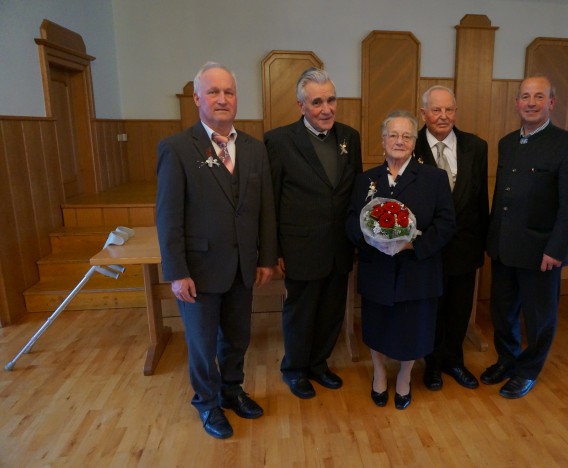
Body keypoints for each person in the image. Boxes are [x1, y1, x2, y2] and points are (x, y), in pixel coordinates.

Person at [155, 62, 277, 439]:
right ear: (197, 98)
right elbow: (168, 216)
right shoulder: (177, 148)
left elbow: (265, 208)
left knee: (238, 337)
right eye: (213, 92)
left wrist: (266, 258)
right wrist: (177, 272)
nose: (222, 99)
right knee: (202, 343)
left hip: (243, 266)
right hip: (199, 270)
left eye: (229, 92)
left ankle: (231, 390)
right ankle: (207, 403)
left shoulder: (255, 149)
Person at [483, 75, 568, 399]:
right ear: (517, 103)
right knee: (502, 311)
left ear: (551, 103)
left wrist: (557, 249)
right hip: (504, 246)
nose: (531, 103)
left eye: (539, 96)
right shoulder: (507, 143)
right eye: (525, 97)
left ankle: (528, 370)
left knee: (539, 317)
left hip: (541, 251)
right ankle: (507, 359)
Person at [347, 110, 455, 409]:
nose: (399, 141)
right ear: (383, 141)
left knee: (413, 328)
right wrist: (368, 238)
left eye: (407, 136)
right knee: (376, 326)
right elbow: (351, 218)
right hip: (377, 268)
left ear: (414, 142)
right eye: (393, 135)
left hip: (417, 269)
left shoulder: (434, 178)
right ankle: (379, 374)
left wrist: (412, 245)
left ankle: (405, 376)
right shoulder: (366, 179)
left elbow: (447, 223)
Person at [264, 68, 362, 399]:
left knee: (332, 310)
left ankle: (319, 364)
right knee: (301, 313)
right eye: (317, 102)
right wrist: (274, 250)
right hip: (300, 246)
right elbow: (270, 201)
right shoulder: (279, 141)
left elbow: (356, 192)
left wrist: (358, 238)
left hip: (340, 245)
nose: (326, 109)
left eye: (331, 100)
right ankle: (295, 370)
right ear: (301, 105)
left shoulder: (350, 137)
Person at [414, 86, 489, 392]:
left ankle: (454, 361)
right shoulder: (411, 145)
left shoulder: (476, 147)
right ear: (424, 114)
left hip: (464, 246)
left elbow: (481, 199)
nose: (443, 116)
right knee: (431, 310)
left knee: (459, 309)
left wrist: (483, 243)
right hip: (427, 248)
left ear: (456, 112)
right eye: (436, 110)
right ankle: (432, 364)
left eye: (449, 110)